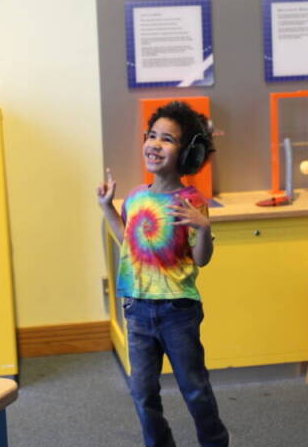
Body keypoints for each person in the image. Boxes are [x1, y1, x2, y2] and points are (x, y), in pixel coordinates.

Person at [97, 101, 228, 447]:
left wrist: (204, 227)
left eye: (167, 139)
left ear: (188, 153)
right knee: (143, 393)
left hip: (177, 312)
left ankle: (214, 442)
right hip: (136, 311)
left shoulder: (190, 201)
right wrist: (107, 207)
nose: (155, 144)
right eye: (152, 135)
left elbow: (201, 260)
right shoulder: (136, 197)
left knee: (194, 390)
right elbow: (127, 239)